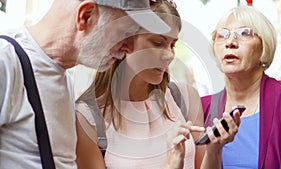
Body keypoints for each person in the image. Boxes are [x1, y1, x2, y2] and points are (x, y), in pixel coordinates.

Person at [0, 0, 171, 168]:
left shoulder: (63, 78)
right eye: (125, 33)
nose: (129, 48)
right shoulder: (5, 62)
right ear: (86, 16)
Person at [75, 1, 241, 169]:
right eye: (158, 43)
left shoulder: (184, 97)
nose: (169, 55)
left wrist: (214, 150)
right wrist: (171, 164)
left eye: (172, 45)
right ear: (124, 41)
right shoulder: (87, 117)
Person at [201, 6, 281, 169]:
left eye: (244, 33)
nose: (230, 42)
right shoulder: (201, 108)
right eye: (222, 34)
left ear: (264, 47)